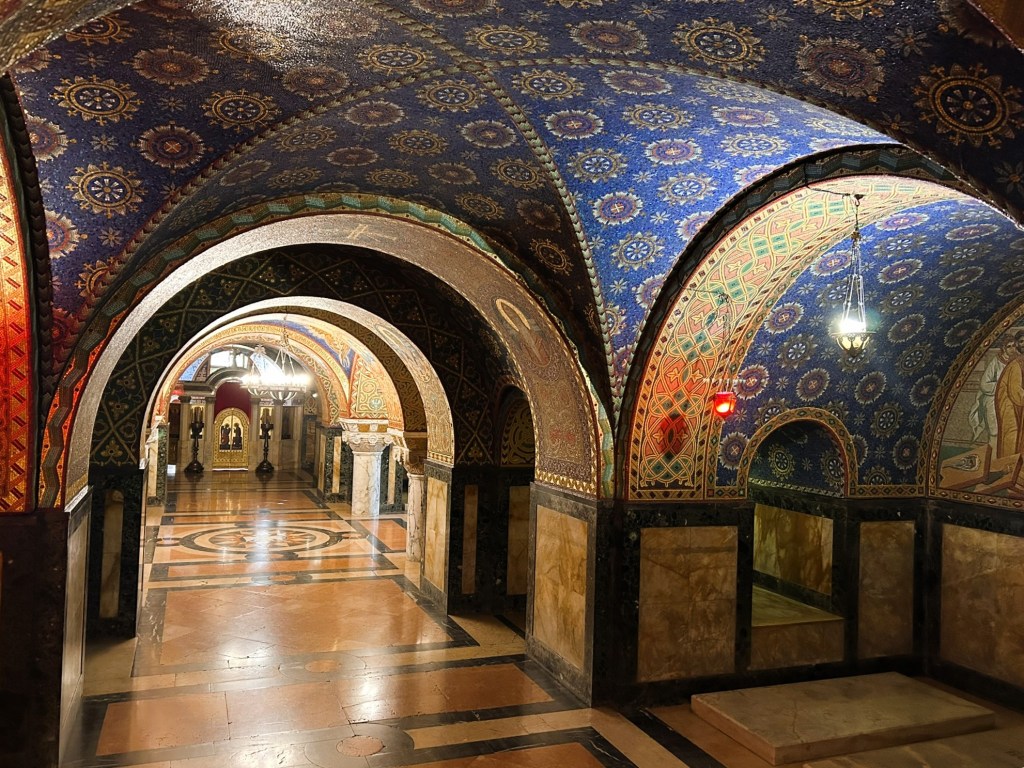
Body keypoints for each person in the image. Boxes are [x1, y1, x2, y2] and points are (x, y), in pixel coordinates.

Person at [970, 338, 1012, 448]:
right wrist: (1002, 386)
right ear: (1003, 348)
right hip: (994, 397)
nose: (1012, 349)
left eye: (1014, 346)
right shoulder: (996, 362)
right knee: (994, 427)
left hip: (1011, 398)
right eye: (1009, 346)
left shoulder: (1016, 361)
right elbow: (984, 384)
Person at [994, 331, 1024, 458]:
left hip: (1018, 405)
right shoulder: (1015, 364)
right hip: (1010, 407)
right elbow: (1015, 392)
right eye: (1021, 341)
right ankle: (1010, 466)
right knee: (1011, 437)